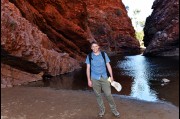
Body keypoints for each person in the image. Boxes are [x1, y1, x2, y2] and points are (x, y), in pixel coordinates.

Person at [85, 41, 120, 117]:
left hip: (104, 77)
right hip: (94, 78)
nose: (94, 48)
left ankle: (114, 110)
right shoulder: (89, 56)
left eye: (96, 46)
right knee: (98, 95)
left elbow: (108, 65)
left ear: (98, 47)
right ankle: (102, 110)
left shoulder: (104, 55)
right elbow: (88, 68)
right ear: (91, 48)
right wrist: (88, 80)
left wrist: (111, 76)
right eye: (93, 47)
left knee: (108, 94)